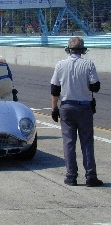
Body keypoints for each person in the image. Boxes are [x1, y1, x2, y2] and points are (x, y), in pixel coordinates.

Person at [50, 36, 103, 187]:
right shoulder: (89, 64)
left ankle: (71, 176)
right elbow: (95, 87)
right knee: (87, 142)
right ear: (82, 49)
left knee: (68, 142)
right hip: (84, 107)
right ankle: (91, 176)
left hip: (66, 106)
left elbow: (54, 89)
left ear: (69, 49)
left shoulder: (60, 65)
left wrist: (54, 109)